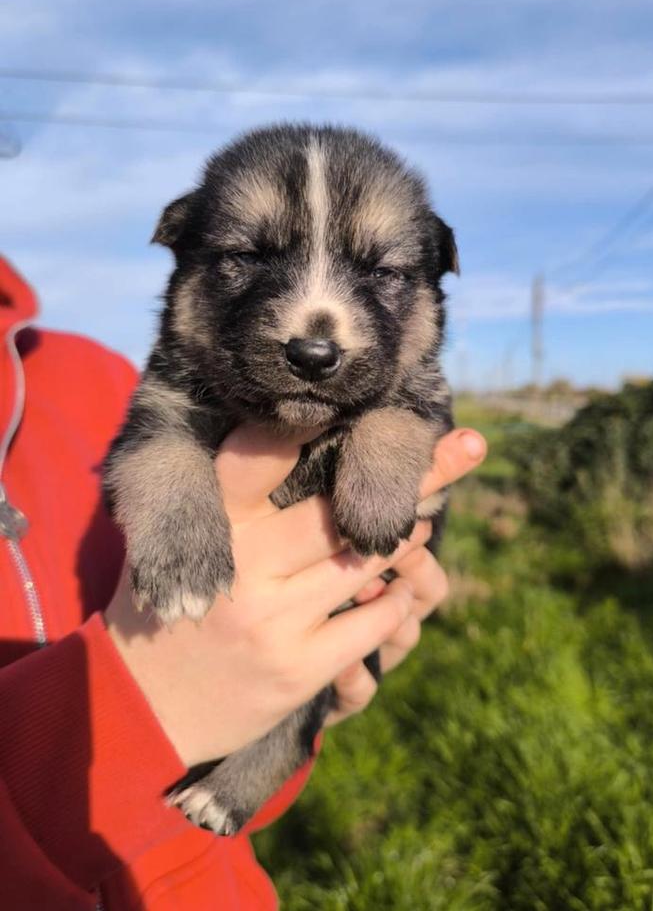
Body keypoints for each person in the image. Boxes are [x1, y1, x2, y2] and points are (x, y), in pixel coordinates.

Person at [0, 254, 486, 910]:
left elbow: (213, 803)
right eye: (244, 261)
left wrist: (288, 692)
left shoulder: (92, 375)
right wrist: (138, 704)